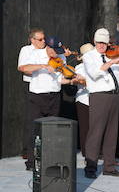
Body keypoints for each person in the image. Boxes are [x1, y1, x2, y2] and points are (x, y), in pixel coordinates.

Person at [83, 28, 119, 178]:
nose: (101, 45)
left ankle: (109, 166)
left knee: (112, 133)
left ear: (108, 43)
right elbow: (94, 74)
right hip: (99, 96)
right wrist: (113, 61)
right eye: (99, 42)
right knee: (96, 133)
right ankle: (90, 168)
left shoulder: (111, 56)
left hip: (114, 96)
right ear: (94, 41)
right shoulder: (89, 56)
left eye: (104, 43)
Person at [23, 36, 84, 170]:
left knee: (52, 129)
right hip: (38, 96)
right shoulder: (36, 54)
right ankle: (32, 162)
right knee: (35, 128)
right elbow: (24, 68)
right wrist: (44, 66)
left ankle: (50, 158)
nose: (57, 54)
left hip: (55, 96)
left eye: (58, 51)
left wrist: (71, 81)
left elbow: (60, 79)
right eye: (54, 51)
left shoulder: (61, 58)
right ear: (48, 47)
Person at [76, 43, 119, 167]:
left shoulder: (104, 62)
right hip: (85, 99)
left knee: (109, 131)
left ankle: (108, 161)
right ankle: (89, 160)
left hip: (104, 98)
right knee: (90, 131)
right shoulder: (81, 67)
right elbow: (90, 76)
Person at [18, 28, 46, 159]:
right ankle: (27, 149)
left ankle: (44, 148)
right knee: (30, 118)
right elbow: (23, 68)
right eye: (40, 39)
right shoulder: (26, 50)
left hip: (45, 86)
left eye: (44, 38)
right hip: (31, 85)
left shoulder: (47, 51)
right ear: (32, 40)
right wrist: (39, 69)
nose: (43, 41)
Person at [75, 43, 94, 160]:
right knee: (85, 127)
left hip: (96, 99)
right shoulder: (79, 68)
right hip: (83, 100)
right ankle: (86, 152)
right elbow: (77, 81)